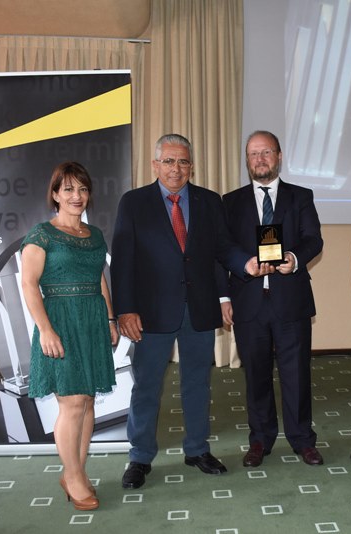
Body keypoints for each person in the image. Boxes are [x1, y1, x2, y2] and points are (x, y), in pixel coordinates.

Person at [111, 133, 271, 490]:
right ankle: (140, 456)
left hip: (197, 309)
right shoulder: (134, 203)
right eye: (168, 161)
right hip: (150, 313)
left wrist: (245, 264)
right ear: (155, 165)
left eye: (183, 161)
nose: (176, 168)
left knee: (198, 383)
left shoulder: (209, 201)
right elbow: (122, 260)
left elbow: (222, 248)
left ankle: (197, 449)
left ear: (192, 166)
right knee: (147, 386)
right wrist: (125, 310)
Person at [221, 130, 324, 467]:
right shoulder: (230, 201)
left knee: (297, 374)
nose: (260, 159)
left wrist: (293, 258)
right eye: (253, 154)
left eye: (266, 152)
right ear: (247, 160)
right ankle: (260, 440)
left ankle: (302, 439)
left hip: (290, 300)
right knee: (256, 375)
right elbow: (223, 248)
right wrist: (243, 267)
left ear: (279, 156)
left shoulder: (301, 196)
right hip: (248, 301)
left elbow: (313, 239)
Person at [21, 161, 118, 511]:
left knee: (88, 400)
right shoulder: (41, 235)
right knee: (72, 403)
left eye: (83, 189)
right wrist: (46, 329)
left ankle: (78, 470)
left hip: (92, 321)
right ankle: (72, 475)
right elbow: (28, 284)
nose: (77, 196)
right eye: (69, 189)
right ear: (55, 195)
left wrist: (110, 319)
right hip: (60, 321)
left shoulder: (95, 235)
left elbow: (99, 278)